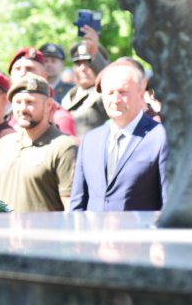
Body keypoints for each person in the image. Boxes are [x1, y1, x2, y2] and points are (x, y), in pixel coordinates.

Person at [70, 60, 167, 212]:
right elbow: (78, 204)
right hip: (94, 227)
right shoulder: (90, 140)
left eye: (123, 92)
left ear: (141, 93)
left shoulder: (160, 138)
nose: (115, 100)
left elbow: (168, 203)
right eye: (109, 93)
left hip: (141, 227)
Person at [0, 75, 77, 212]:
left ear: (48, 105)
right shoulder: (4, 144)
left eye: (30, 102)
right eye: (18, 102)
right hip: (4, 225)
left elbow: (71, 206)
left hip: (45, 226)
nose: (23, 108)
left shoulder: (63, 147)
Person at [7, 47, 76, 136]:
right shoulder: (7, 113)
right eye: (17, 69)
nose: (22, 73)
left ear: (44, 76)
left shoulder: (59, 117)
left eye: (29, 69)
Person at [59, 41, 108, 137]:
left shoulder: (105, 93)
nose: (82, 68)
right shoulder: (68, 96)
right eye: (78, 63)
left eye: (89, 63)